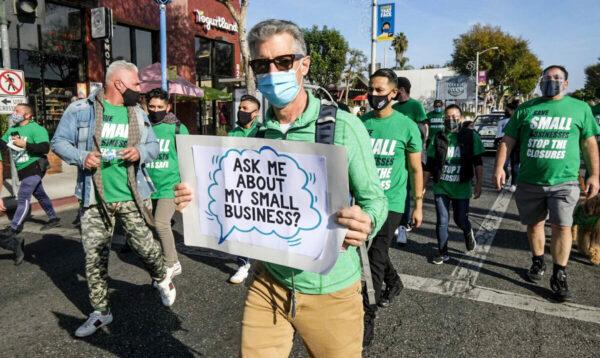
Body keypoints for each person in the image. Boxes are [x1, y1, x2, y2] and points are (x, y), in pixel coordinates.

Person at [174, 19, 387, 357]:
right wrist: (194, 199)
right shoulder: (256, 136)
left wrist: (367, 221)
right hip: (268, 282)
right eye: (262, 65)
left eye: (283, 62)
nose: (272, 72)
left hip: (329, 290)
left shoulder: (344, 127)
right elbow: (232, 197)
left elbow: (375, 199)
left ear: (304, 64)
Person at [51, 60, 176, 337]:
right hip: (94, 197)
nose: (139, 90)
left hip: (132, 194)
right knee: (94, 257)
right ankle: (101, 313)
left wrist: (140, 152)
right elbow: (58, 142)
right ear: (118, 84)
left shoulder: (137, 113)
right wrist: (82, 157)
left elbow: (153, 145)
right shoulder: (81, 110)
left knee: (145, 247)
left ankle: (161, 277)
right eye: (135, 85)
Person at [493, 65, 600, 301]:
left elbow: (589, 143)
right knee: (535, 225)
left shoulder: (580, 109)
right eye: (547, 78)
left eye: (557, 78)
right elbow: (507, 140)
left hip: (565, 181)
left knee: (562, 226)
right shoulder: (526, 109)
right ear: (541, 82)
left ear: (566, 83)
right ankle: (538, 260)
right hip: (530, 181)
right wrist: (500, 167)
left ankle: (559, 274)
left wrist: (594, 175)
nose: (551, 81)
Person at [360, 68, 423, 347]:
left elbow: (415, 169)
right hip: (364, 202)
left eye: (379, 91)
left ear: (394, 93)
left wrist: (418, 205)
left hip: (392, 203)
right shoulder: (360, 123)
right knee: (374, 250)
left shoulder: (407, 126)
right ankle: (394, 281)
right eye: (371, 90)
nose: (373, 95)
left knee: (373, 256)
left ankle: (367, 317)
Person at [0, 104, 59, 265]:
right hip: (22, 169)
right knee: (39, 193)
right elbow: (2, 144)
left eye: (17, 111)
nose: (14, 113)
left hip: (35, 167)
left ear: (27, 115)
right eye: (14, 111)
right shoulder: (12, 130)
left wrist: (25, 145)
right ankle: (54, 218)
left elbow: (45, 148)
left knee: (23, 195)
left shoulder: (36, 129)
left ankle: (13, 228)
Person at [424, 104, 483, 264]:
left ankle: (468, 231)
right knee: (442, 220)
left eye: (455, 116)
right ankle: (442, 252)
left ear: (461, 118)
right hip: (441, 186)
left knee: (460, 219)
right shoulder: (438, 138)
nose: (451, 120)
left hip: (461, 187)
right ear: (443, 119)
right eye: (448, 117)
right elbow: (429, 164)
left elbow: (478, 162)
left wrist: (478, 184)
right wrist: (421, 186)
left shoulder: (471, 137)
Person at [145, 88, 189, 279]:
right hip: (147, 185)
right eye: (152, 106)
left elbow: (187, 157)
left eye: (160, 107)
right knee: (152, 224)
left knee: (161, 223)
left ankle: (171, 263)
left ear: (168, 107)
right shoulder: (143, 125)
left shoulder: (177, 128)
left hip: (169, 185)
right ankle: (169, 258)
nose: (156, 110)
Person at [227, 94, 261, 284]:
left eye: (245, 109)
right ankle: (243, 264)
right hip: (239, 188)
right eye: (240, 108)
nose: (241, 111)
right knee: (239, 226)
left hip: (261, 188)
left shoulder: (264, 132)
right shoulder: (233, 133)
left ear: (255, 114)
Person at [392, 76, 427, 243]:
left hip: (410, 157)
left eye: (395, 89)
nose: (393, 92)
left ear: (403, 89)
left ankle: (403, 227)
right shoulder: (393, 107)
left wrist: (419, 149)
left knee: (406, 192)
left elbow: (423, 129)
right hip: (394, 157)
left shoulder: (416, 105)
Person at [495, 100, 520, 192]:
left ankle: (514, 184)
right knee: (503, 165)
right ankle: (505, 177)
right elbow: (499, 132)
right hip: (504, 145)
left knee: (515, 166)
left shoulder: (519, 120)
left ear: (513, 110)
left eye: (508, 109)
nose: (506, 111)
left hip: (516, 146)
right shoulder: (502, 120)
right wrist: (496, 141)